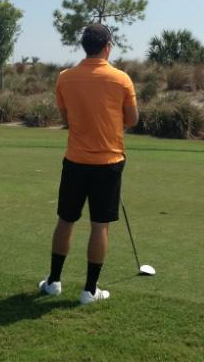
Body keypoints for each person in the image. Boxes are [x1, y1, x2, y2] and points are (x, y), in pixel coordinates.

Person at [39, 23, 138, 304]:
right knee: (99, 226)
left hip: (75, 162)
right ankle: (90, 291)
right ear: (107, 46)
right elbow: (132, 119)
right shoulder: (121, 79)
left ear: (84, 46)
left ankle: (54, 282)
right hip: (109, 162)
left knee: (66, 220)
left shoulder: (65, 78)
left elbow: (67, 119)